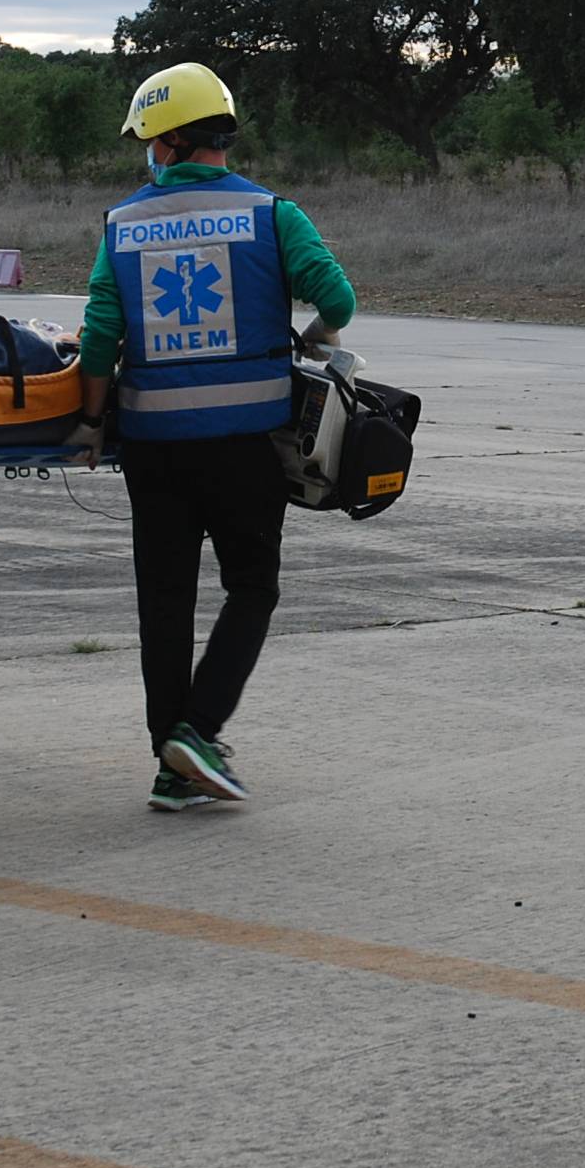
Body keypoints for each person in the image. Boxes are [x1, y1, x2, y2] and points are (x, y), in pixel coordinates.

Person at [76, 62, 355, 812]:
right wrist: (313, 338)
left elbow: (99, 332)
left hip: (154, 445)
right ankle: (197, 731)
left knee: (163, 602)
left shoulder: (123, 223)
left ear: (166, 141)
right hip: (246, 445)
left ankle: (171, 763)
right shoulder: (272, 214)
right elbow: (339, 300)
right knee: (252, 588)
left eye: (147, 140)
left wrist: (89, 416)